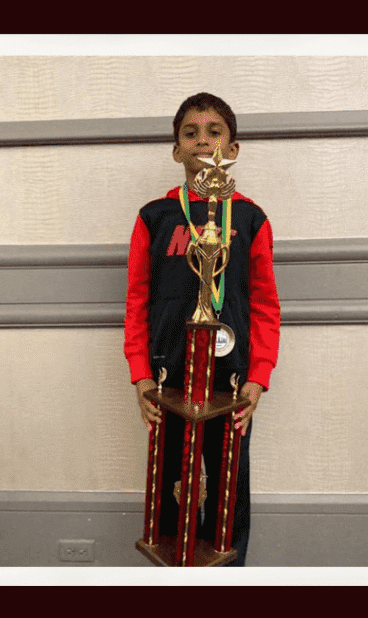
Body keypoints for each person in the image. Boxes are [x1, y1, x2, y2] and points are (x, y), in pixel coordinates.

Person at [124, 92, 281, 565]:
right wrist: (141, 374)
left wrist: (258, 378)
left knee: (229, 491)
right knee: (169, 486)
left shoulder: (250, 219)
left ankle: (229, 573)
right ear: (176, 150)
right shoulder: (155, 217)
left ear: (232, 149)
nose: (202, 142)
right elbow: (136, 301)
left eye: (215, 133)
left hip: (231, 380)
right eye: (190, 134)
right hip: (167, 379)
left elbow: (265, 304)